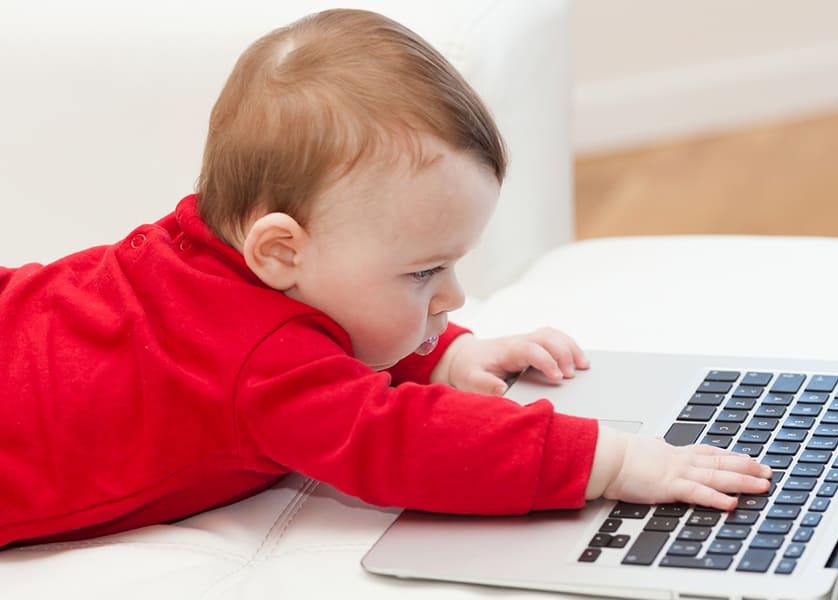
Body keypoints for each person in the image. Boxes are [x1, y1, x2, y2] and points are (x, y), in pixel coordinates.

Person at [0, 8, 771, 548]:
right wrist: (615, 461)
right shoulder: (260, 362)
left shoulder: (229, 251)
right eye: (424, 272)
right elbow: (401, 442)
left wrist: (444, 353)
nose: (452, 297)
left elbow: (338, 329)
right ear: (279, 248)